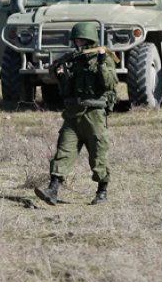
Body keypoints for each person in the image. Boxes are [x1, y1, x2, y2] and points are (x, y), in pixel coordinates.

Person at [35, 22, 118, 207]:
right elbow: (64, 88)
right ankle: (53, 189)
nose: (78, 43)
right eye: (76, 40)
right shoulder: (72, 59)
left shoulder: (103, 57)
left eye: (81, 39)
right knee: (64, 151)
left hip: (94, 114)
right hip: (73, 114)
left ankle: (102, 191)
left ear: (89, 40)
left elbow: (109, 84)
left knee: (98, 154)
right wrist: (61, 73)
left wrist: (102, 64)